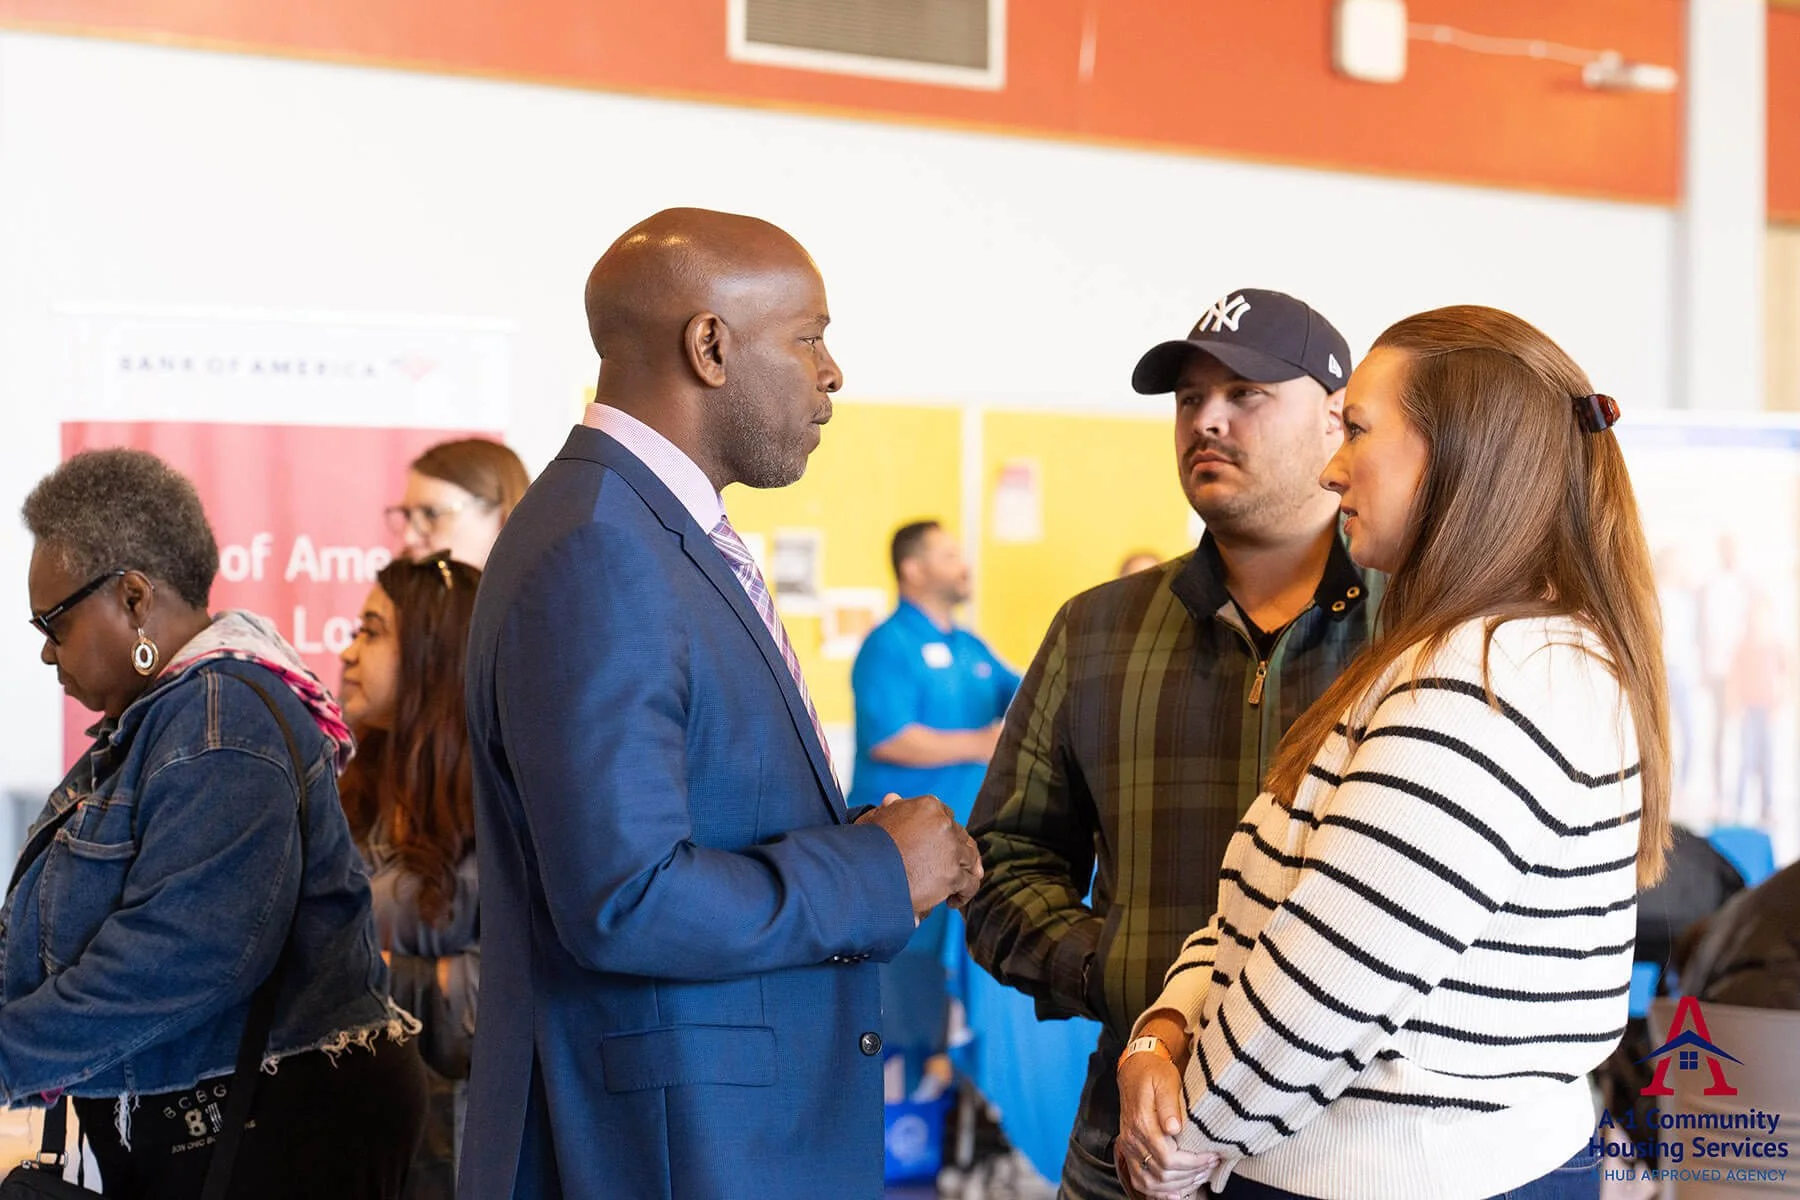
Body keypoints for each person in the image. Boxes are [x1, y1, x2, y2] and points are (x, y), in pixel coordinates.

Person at [461, 208, 984, 1200]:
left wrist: (857, 838)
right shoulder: (602, 548)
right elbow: (628, 896)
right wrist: (875, 871)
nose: (832, 373)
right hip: (673, 1152)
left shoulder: (653, 531)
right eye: (809, 337)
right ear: (711, 345)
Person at [1118, 305, 1670, 1200]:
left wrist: (1192, 1132)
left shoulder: (1489, 675)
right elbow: (1271, 905)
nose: (1333, 470)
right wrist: (1165, 1027)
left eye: (1358, 431)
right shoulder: (1463, 652)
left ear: (1458, 455)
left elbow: (1323, 989)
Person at [964, 288, 1375, 1200]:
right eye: (1190, 400)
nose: (1208, 421)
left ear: (1335, 423)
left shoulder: (1419, 628)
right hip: (1134, 1135)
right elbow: (1002, 857)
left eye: (1246, 393)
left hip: (1356, 1145)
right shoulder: (1099, 631)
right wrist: (1114, 977)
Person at [7, 447, 426, 1199]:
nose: (45, 651)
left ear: (133, 597)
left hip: (279, 1143)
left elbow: (181, 957)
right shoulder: (157, 725)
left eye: (55, 622)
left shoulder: (221, 717)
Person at [848, 520, 1051, 1194]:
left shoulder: (968, 648)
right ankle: (876, 1149)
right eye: (946, 554)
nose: (963, 563)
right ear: (912, 570)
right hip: (896, 866)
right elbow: (893, 737)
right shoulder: (888, 646)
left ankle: (947, 1141)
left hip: (960, 867)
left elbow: (1023, 695)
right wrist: (980, 743)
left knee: (949, 1003)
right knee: (894, 1007)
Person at [338, 553, 483, 1200]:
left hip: (446, 1154)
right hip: (347, 1134)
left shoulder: (492, 814)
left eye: (371, 631)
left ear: (433, 654)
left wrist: (355, 973)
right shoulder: (352, 794)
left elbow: (491, 1003)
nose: (347, 651)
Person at [385, 437, 530, 569]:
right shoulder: (387, 593)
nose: (409, 538)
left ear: (503, 520)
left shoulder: (542, 595)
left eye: (431, 514)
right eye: (407, 515)